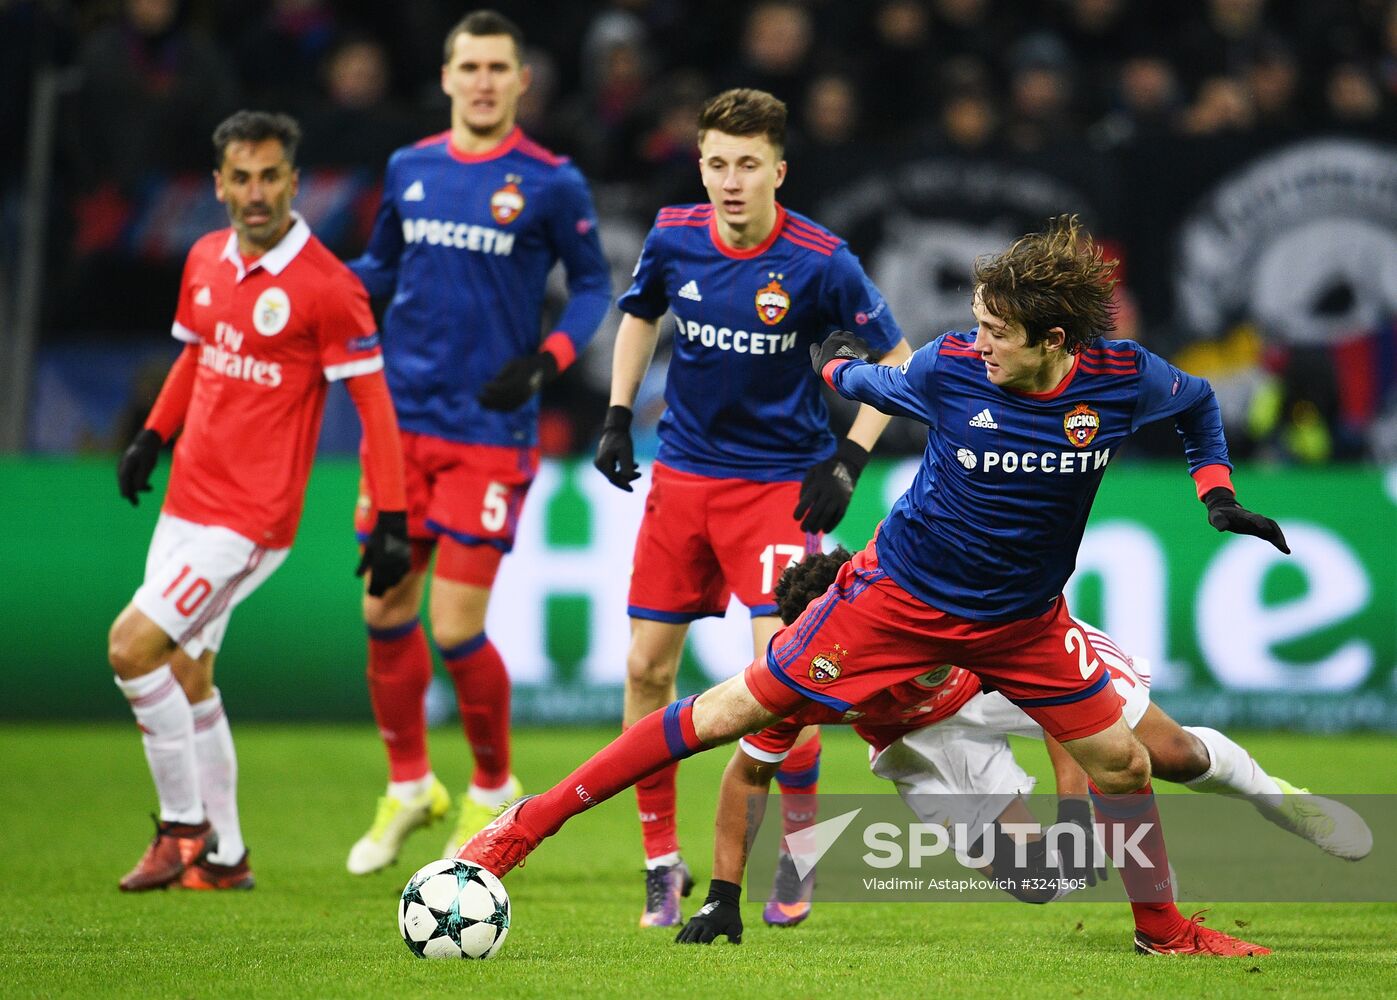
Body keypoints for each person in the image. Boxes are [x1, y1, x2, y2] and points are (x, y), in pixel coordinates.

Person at [459, 214, 1291, 957]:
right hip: (896, 602)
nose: (979, 341)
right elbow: (872, 383)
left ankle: (1164, 934)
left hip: (1021, 622)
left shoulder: (1121, 376)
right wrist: (836, 374)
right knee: (726, 713)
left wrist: (1215, 493)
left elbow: (1198, 405)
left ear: (1054, 338)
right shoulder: (950, 368)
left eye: (997, 331)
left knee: (1121, 767)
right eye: (977, 324)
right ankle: (521, 828)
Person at [674, 549, 1370, 950]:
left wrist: (1076, 810)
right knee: (1043, 883)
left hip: (1010, 671)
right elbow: (746, 774)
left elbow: (1051, 694)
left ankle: (1278, 799)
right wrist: (724, 897)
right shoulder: (808, 677)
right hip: (920, 739)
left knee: (1173, 755)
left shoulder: (926, 605)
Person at [591, 86, 912, 925]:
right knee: (642, 671)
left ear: (777, 168)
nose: (730, 181)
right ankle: (661, 861)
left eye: (746, 164)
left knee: (783, 682)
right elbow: (638, 316)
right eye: (716, 163)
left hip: (780, 488)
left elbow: (900, 361)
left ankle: (796, 858)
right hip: (684, 479)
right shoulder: (672, 237)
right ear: (699, 164)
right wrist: (621, 412)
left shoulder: (820, 259)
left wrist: (848, 457)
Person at [109, 109, 410, 892]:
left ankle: (182, 828)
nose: (255, 193)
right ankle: (226, 858)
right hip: (185, 502)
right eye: (240, 178)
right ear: (218, 184)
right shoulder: (206, 258)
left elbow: (376, 411)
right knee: (191, 675)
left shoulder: (329, 288)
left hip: (248, 522)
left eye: (270, 176)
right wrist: (152, 436)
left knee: (132, 649)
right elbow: (194, 357)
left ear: (293, 182)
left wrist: (392, 520)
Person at [343, 9, 612, 875]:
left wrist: (548, 359)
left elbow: (592, 286)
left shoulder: (550, 180)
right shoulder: (410, 168)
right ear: (449, 77)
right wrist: (321, 288)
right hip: (400, 424)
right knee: (383, 608)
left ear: (522, 80)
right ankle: (410, 784)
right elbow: (380, 269)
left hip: (490, 433)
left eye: (500, 67)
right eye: (471, 67)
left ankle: (493, 787)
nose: (485, 81)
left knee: (455, 626)